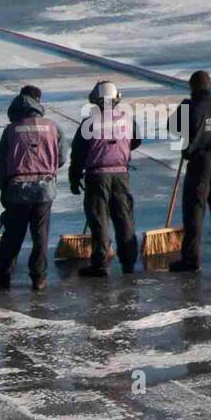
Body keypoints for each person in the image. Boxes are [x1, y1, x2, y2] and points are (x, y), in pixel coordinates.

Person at [0, 85, 63, 292]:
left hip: (17, 189)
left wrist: (4, 188)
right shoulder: (52, 127)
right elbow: (62, 157)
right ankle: (39, 278)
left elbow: (0, 165)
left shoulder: (11, 130)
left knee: (13, 234)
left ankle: (3, 275)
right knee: (40, 235)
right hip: (45, 189)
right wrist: (46, 168)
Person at [69, 81, 141, 277]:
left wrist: (74, 178)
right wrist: (119, 150)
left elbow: (78, 153)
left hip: (97, 176)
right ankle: (128, 263)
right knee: (124, 217)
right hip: (121, 175)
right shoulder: (128, 120)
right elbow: (136, 141)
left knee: (99, 219)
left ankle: (100, 263)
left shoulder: (89, 122)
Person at [168, 71, 211, 273]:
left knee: (195, 212)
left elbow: (173, 127)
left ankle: (191, 259)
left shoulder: (189, 106)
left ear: (192, 87)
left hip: (200, 164)